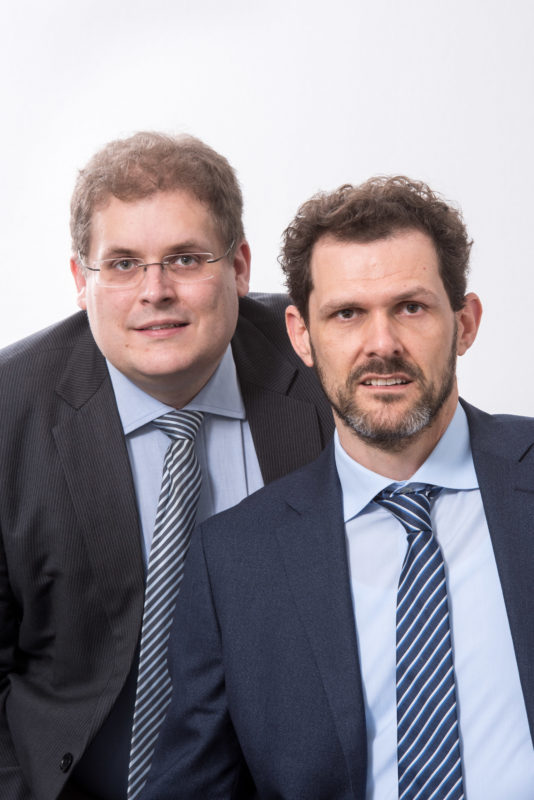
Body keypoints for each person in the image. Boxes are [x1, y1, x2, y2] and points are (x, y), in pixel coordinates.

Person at [143, 176, 534, 800]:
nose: (382, 345)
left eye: (411, 307)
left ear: (465, 323)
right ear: (302, 334)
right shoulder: (235, 560)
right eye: (347, 313)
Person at [0, 132, 334, 800]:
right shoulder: (12, 412)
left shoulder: (327, 363)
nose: (155, 291)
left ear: (240, 267)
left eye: (185, 258)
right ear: (79, 281)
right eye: (121, 264)